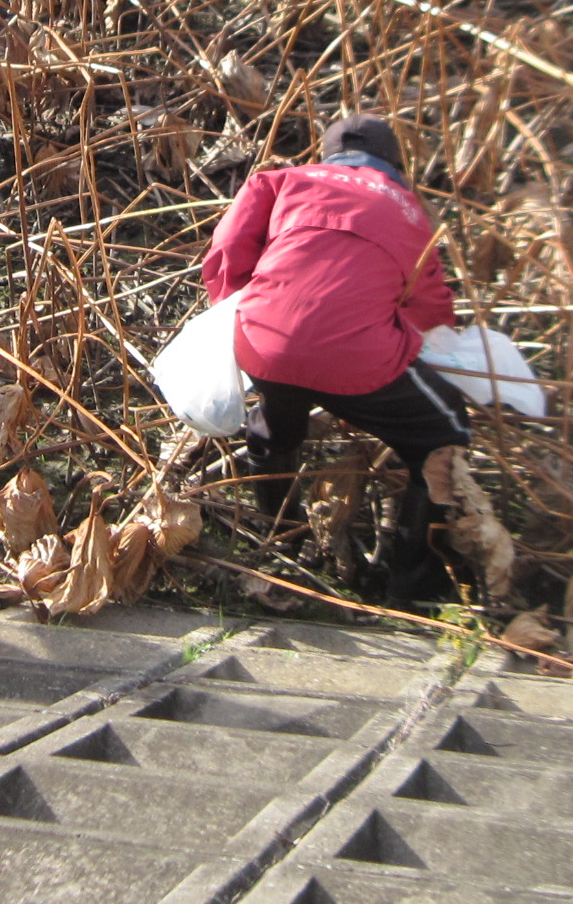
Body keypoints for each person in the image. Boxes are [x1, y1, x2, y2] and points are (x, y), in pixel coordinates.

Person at [202, 114, 474, 604]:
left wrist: (239, 310)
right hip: (358, 359)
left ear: (327, 157)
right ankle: (413, 584)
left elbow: (225, 248)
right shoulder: (410, 211)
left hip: (264, 340)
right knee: (446, 429)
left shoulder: (281, 179)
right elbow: (429, 310)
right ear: (395, 166)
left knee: (275, 426)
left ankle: (282, 545)